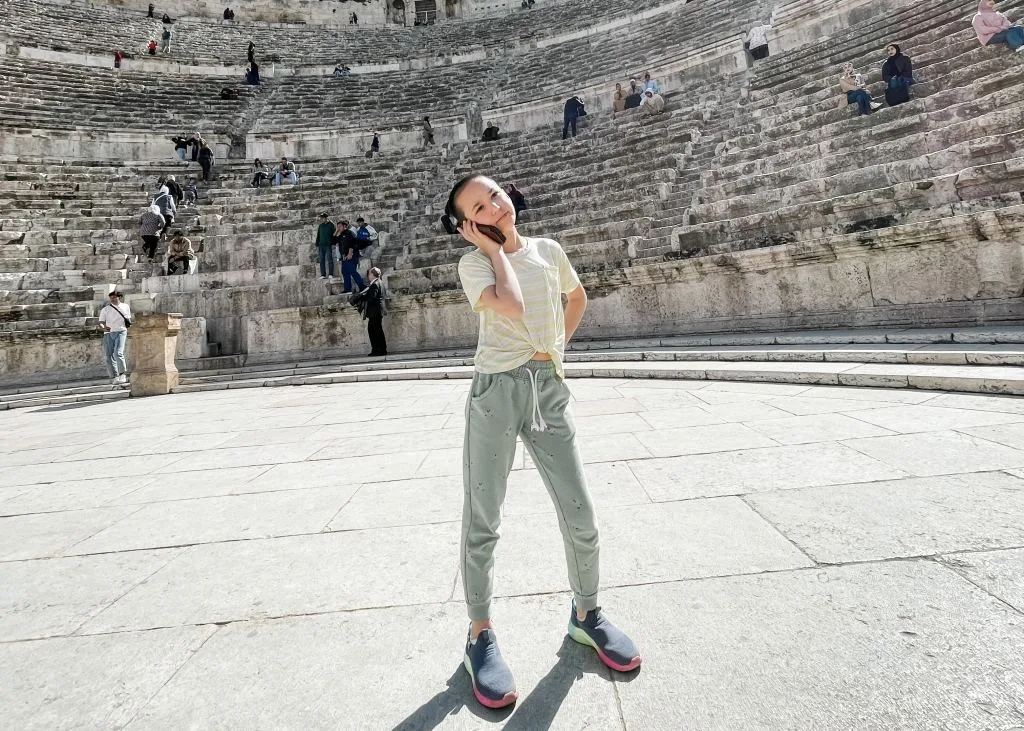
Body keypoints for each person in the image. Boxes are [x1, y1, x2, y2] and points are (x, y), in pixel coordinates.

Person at [444, 174, 641, 709]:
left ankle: (587, 615)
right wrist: (492, 248)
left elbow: (575, 298)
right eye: (480, 206)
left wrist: (555, 352)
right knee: (483, 517)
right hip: (496, 394)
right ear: (469, 224)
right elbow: (508, 304)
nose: (496, 204)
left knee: (582, 513)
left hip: (545, 388)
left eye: (496, 193)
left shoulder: (549, 250)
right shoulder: (474, 264)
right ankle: (479, 633)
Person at [350, 268, 387, 356]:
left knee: (374, 331)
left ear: (372, 275)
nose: (368, 275)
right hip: (378, 311)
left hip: (374, 311)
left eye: (369, 274)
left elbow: (371, 297)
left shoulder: (375, 284)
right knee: (377, 331)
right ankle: (381, 349)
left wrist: (360, 297)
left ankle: (377, 350)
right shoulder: (380, 282)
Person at [98, 290, 132, 385]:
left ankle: (122, 374)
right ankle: (115, 376)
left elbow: (128, 319)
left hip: (121, 331)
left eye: (114, 297)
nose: (112, 299)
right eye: (111, 297)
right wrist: (103, 328)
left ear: (119, 297)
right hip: (109, 333)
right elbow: (101, 322)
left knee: (118, 353)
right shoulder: (105, 309)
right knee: (109, 356)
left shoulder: (125, 306)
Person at [335, 220, 365, 293]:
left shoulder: (349, 233)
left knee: (352, 270)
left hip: (352, 254)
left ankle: (362, 286)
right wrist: (336, 231)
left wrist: (350, 253)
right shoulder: (341, 235)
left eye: (340, 226)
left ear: (345, 226)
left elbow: (352, 243)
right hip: (345, 256)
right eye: (337, 226)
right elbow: (333, 240)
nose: (339, 228)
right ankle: (347, 289)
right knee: (345, 272)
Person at [314, 213, 335, 280]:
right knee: (321, 260)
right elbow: (318, 235)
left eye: (323, 218)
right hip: (321, 245)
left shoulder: (331, 225)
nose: (321, 219)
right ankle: (323, 274)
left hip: (328, 245)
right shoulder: (320, 226)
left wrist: (332, 242)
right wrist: (317, 244)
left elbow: (334, 234)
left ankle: (331, 274)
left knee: (330, 259)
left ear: (326, 218)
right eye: (321, 218)